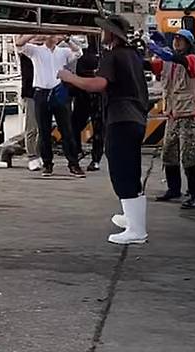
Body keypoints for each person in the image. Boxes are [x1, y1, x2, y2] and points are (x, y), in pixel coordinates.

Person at [59, 15, 150, 245]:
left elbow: (99, 84)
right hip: (136, 118)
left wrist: (70, 77)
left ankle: (137, 230)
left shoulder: (113, 55)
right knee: (131, 168)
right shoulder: (133, 55)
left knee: (121, 171)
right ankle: (132, 217)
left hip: (121, 118)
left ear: (111, 33)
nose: (101, 33)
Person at [15, 34, 85, 178]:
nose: (52, 37)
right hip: (41, 92)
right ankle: (47, 164)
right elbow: (19, 44)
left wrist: (67, 39)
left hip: (58, 91)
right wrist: (35, 33)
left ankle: (73, 164)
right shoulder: (36, 50)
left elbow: (78, 52)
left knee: (66, 130)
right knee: (44, 131)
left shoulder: (63, 52)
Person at [149, 29, 195, 209]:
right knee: (168, 152)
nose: (177, 42)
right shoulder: (168, 62)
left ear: (188, 43)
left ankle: (194, 194)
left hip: (188, 114)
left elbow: (177, 59)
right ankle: (174, 189)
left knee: (188, 155)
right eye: (176, 39)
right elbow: (151, 65)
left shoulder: (191, 59)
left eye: (181, 40)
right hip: (173, 114)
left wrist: (158, 48)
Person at [70, 36, 104, 172]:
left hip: (96, 92)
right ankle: (79, 151)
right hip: (81, 91)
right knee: (75, 124)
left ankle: (96, 158)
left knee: (98, 127)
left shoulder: (101, 51)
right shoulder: (77, 50)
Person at [20, 51, 42, 171]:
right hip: (31, 94)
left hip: (43, 92)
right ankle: (32, 156)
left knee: (42, 128)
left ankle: (38, 154)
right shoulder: (26, 55)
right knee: (31, 127)